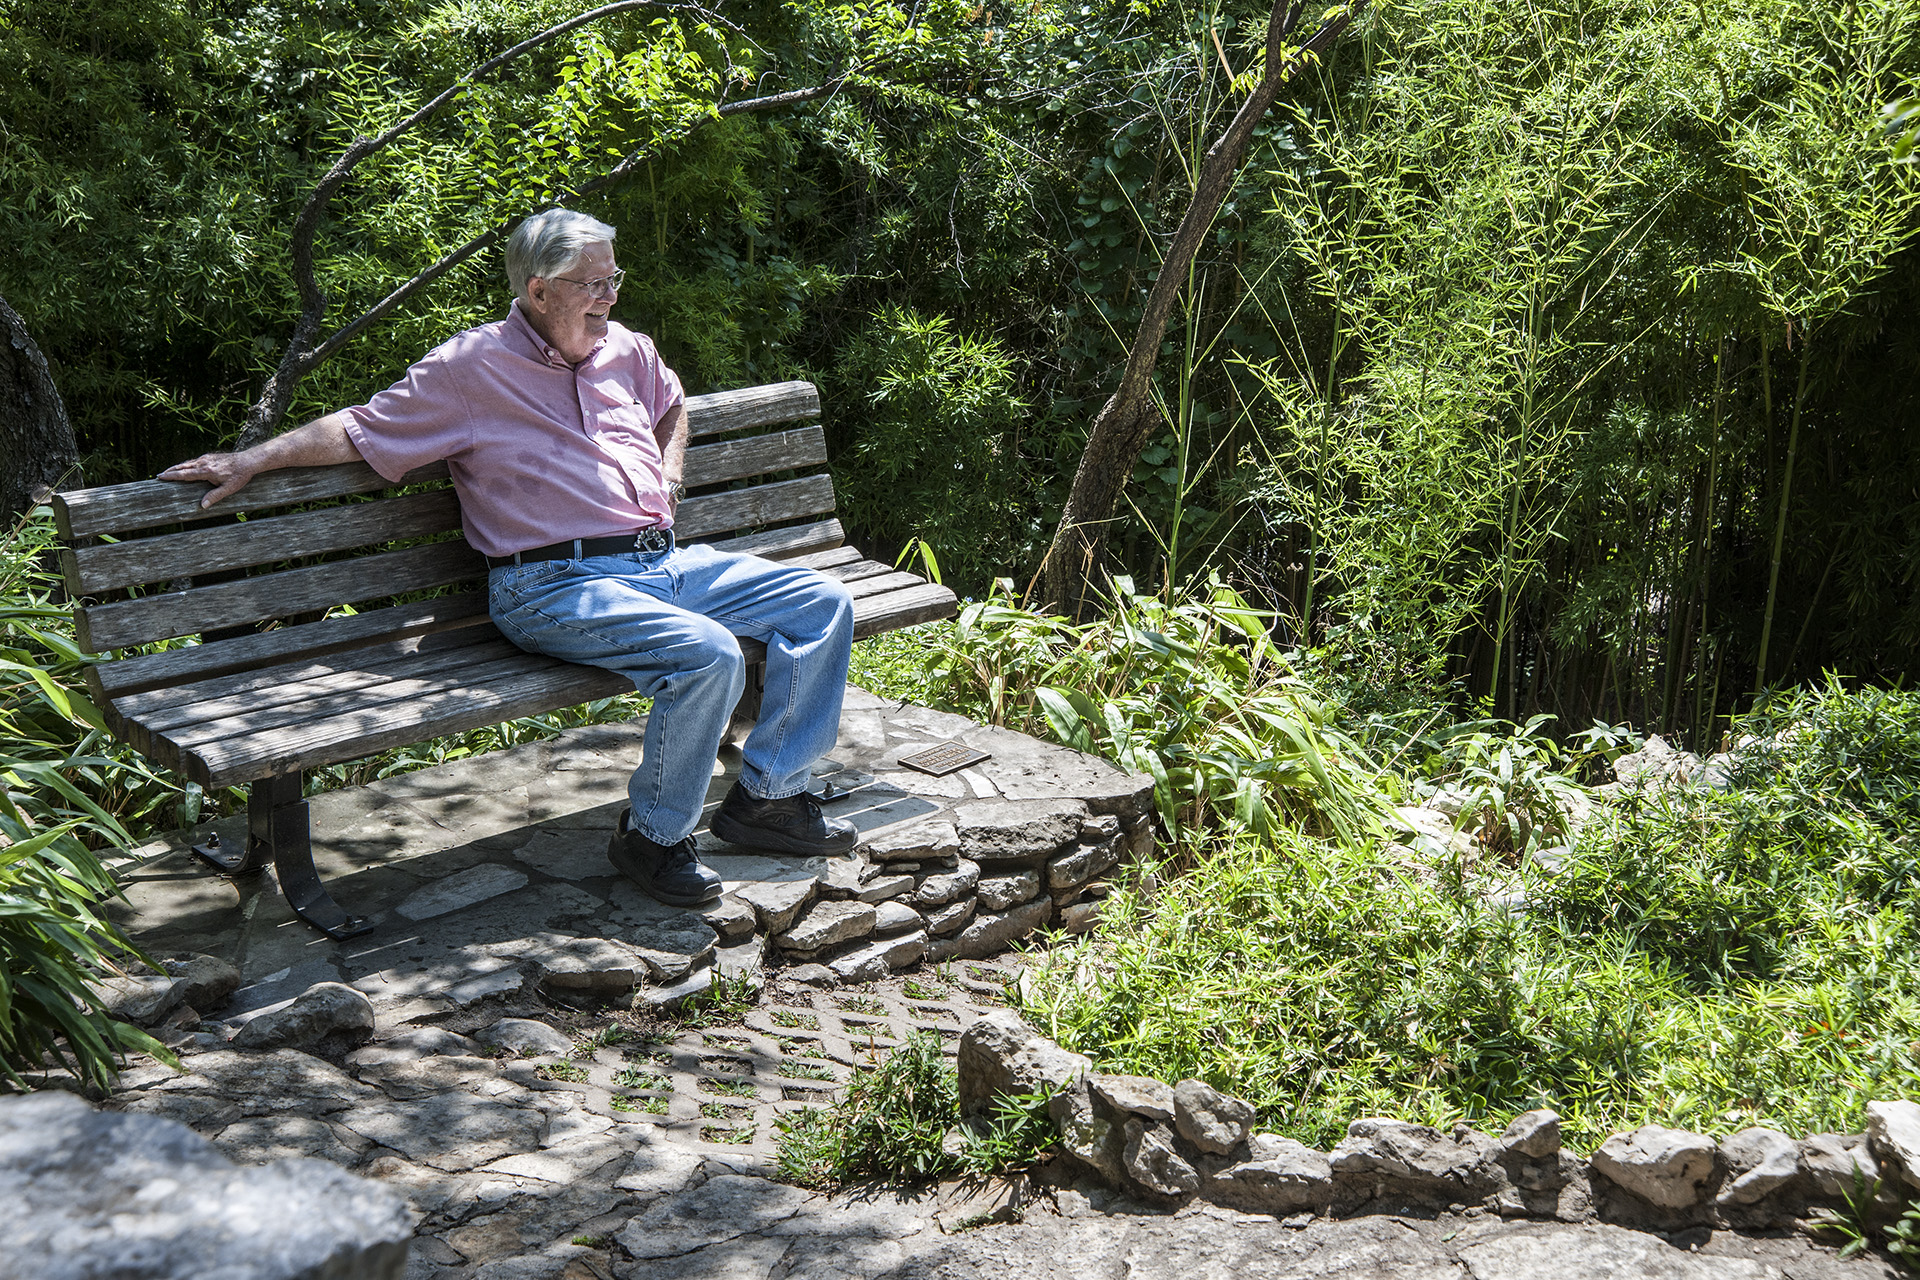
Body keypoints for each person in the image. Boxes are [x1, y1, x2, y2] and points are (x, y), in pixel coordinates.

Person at [159, 208, 857, 908]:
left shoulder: (629, 351)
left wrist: (671, 478)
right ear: (538, 290)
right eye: (592, 283)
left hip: (659, 564)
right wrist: (254, 456)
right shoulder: (471, 368)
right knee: (708, 655)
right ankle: (653, 839)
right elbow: (360, 427)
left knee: (823, 603)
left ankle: (769, 800)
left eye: (614, 277)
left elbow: (673, 408)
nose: (610, 296)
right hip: (551, 585)